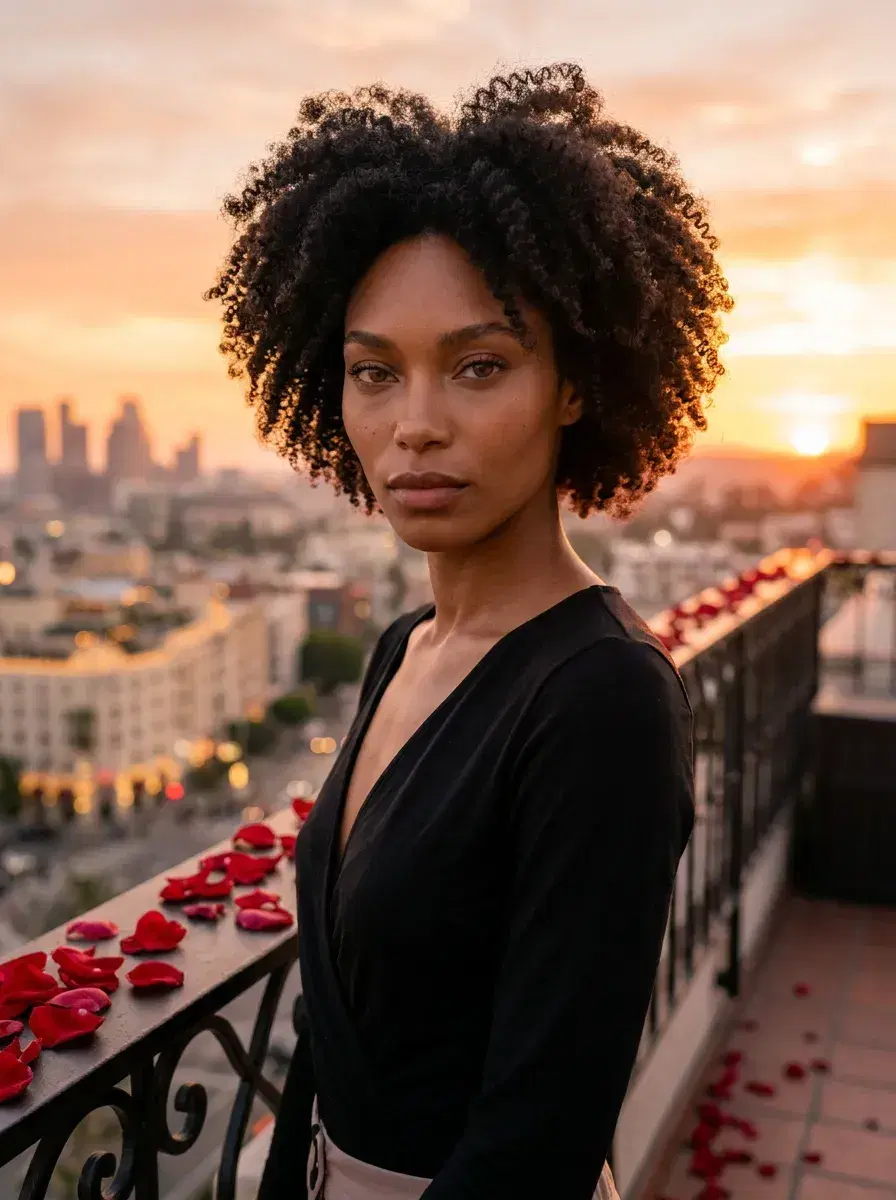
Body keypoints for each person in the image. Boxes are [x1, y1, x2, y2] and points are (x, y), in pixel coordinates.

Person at [207, 62, 731, 1200]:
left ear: (574, 386)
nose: (414, 428)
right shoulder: (403, 645)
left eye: (478, 366)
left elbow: (536, 1142)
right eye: (372, 374)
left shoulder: (601, 701)